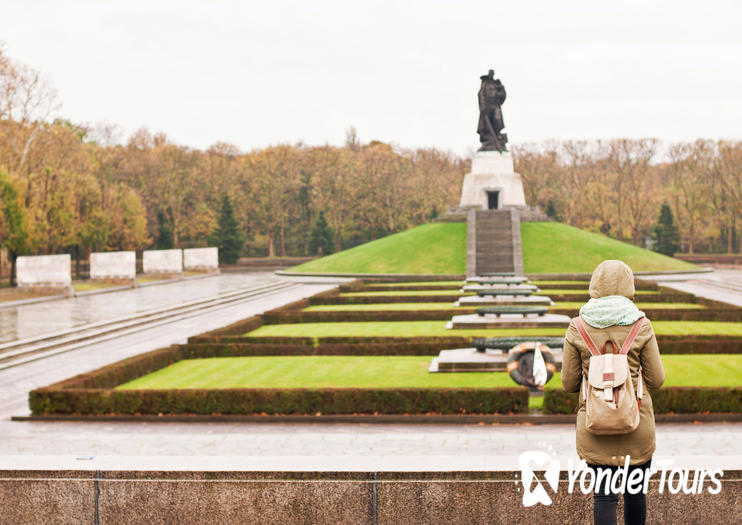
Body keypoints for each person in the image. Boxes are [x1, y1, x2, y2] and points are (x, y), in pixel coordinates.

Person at [561, 260, 665, 525]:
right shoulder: (641, 325)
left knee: (604, 497)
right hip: (636, 424)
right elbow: (657, 379)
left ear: (594, 285)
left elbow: (569, 383)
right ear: (629, 286)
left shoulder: (577, 327)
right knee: (635, 494)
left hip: (595, 426)